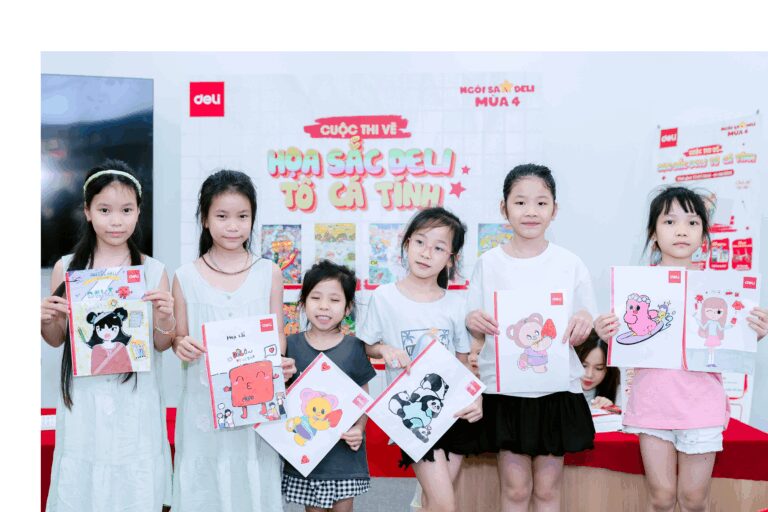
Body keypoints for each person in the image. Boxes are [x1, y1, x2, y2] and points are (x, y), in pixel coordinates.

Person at [594, 186, 768, 512]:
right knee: (660, 498)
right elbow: (627, 335)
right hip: (652, 403)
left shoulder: (721, 289)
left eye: (692, 222)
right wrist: (606, 331)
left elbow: (729, 341)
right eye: (670, 221)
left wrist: (751, 333)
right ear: (654, 233)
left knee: (694, 499)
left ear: (703, 234)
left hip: (701, 405)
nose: (681, 231)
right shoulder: (637, 288)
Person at [40, 159, 175, 511]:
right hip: (85, 402)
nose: (116, 221)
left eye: (126, 210)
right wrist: (47, 319)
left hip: (136, 401)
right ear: (87, 212)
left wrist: (165, 316)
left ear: (138, 212)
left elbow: (161, 343)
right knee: (84, 489)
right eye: (105, 210)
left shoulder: (153, 270)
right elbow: (56, 338)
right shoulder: (67, 268)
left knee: (135, 489)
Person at [465, 163, 596, 512]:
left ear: (555, 209)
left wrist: (584, 321)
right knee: (515, 490)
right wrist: (473, 320)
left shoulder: (569, 263)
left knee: (548, 491)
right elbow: (473, 323)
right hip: (506, 391)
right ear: (503, 208)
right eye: (520, 202)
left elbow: (585, 319)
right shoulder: (488, 263)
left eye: (541, 202)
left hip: (555, 390)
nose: (531, 211)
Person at [170, 169, 297, 511]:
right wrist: (181, 344)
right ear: (205, 219)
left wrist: (277, 360)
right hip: (203, 406)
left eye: (242, 216)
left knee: (252, 481)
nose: (233, 226)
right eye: (222, 216)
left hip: (254, 403)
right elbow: (178, 337)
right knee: (204, 486)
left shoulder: (269, 272)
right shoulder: (185, 277)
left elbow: (278, 334)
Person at [358, 207, 483, 512]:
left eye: (439, 248)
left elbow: (463, 361)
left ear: (450, 259)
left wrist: (476, 397)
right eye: (420, 242)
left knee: (432, 501)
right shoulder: (385, 297)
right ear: (407, 243)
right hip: (414, 417)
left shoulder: (457, 303)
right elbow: (366, 346)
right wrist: (384, 350)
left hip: (454, 414)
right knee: (444, 504)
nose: (427, 253)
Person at [282, 260, 376, 512]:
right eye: (316, 298)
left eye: (334, 300)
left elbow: (363, 397)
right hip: (307, 453)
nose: (324, 306)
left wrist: (359, 428)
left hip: (343, 456)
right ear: (303, 302)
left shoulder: (354, 348)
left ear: (348, 307)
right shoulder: (290, 345)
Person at [574, 330, 620, 409]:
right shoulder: (556, 392)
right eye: (584, 366)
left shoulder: (619, 393)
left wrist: (611, 411)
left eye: (599, 368)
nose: (589, 375)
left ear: (608, 370)